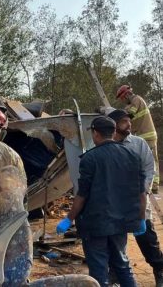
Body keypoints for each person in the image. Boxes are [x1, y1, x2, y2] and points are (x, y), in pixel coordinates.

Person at [56, 116, 147, 287]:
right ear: (113, 132)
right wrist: (141, 218)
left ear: (96, 134)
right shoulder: (133, 155)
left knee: (98, 270)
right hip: (121, 223)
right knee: (122, 265)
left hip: (95, 224)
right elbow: (141, 193)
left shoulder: (90, 159)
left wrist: (69, 218)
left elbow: (82, 195)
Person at [108, 109, 163, 286]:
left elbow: (149, 169)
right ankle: (116, 276)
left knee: (148, 240)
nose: (129, 124)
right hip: (115, 203)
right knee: (116, 242)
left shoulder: (138, 144)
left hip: (138, 201)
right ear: (114, 126)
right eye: (124, 122)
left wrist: (143, 192)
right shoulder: (105, 146)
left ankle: (159, 270)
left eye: (129, 121)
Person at [117, 84, 160, 193]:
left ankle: (154, 185)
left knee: (151, 161)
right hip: (143, 136)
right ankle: (151, 183)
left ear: (126, 95)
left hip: (147, 135)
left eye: (122, 98)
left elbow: (130, 114)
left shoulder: (137, 99)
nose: (122, 101)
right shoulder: (131, 104)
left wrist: (115, 115)